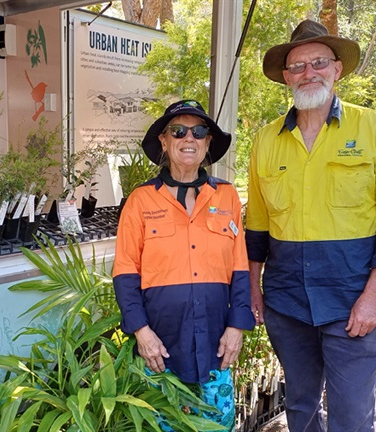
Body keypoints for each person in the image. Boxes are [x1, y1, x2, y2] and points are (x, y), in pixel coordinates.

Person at [246, 20, 376, 431]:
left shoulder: (374, 129)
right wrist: (253, 289)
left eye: (318, 62)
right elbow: (258, 226)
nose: (308, 72)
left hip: (353, 302)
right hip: (286, 303)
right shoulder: (266, 139)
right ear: (286, 77)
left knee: (351, 417)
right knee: (299, 408)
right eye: (298, 66)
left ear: (337, 68)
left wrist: (374, 296)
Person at [113, 99, 256, 431]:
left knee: (217, 427)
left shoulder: (227, 196)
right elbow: (124, 271)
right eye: (178, 131)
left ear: (208, 143)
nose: (188, 138)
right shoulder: (140, 200)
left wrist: (237, 328)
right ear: (164, 141)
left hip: (215, 346)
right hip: (160, 349)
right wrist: (142, 332)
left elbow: (239, 268)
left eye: (199, 131)